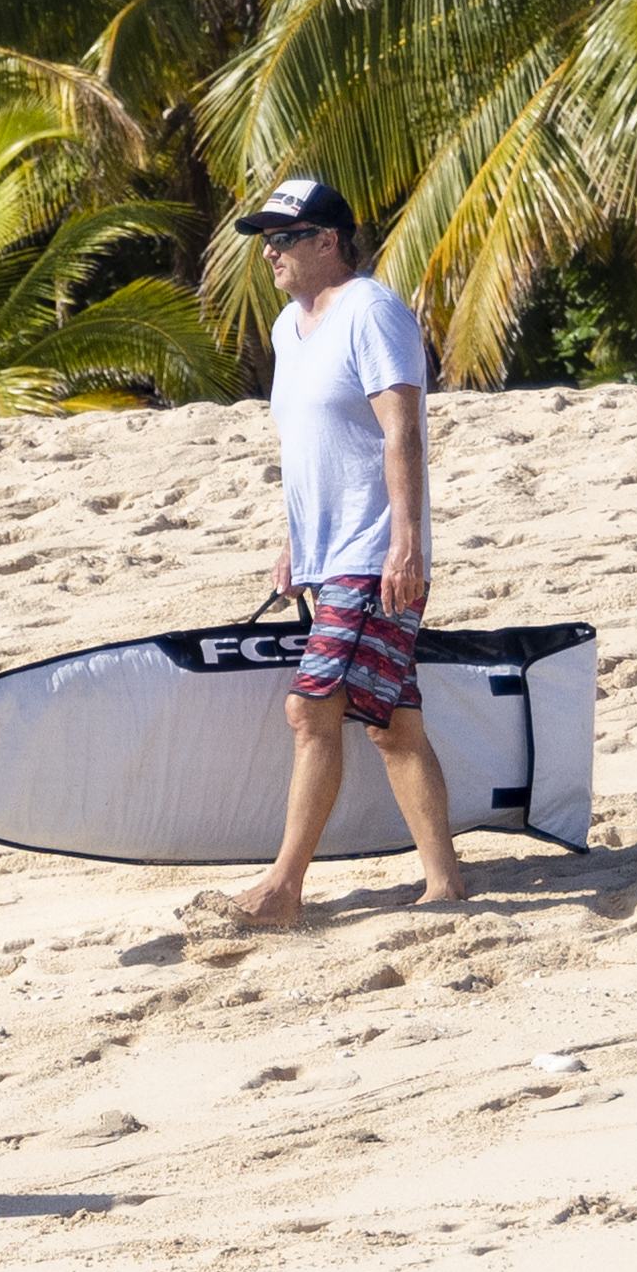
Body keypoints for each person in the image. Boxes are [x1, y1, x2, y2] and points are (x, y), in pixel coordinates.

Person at [208, 175, 470, 936]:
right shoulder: (291, 329)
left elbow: (402, 432)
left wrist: (409, 542)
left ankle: (284, 887)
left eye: (284, 239)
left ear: (328, 241)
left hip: (376, 550)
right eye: (265, 241)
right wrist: (296, 541)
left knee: (309, 704)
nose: (270, 255)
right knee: (390, 720)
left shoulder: (372, 310)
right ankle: (446, 884)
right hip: (330, 554)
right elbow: (314, 445)